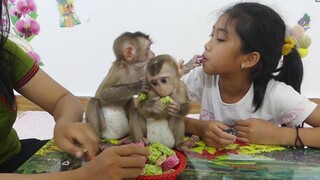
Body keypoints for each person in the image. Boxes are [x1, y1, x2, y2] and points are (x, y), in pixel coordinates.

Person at [0, 1, 149, 179]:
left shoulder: (5, 51)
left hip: (16, 156)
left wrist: (65, 123)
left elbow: (61, 99)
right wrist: (83, 175)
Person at [182, 2, 320, 149]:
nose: (207, 45)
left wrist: (279, 135)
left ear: (249, 59)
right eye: (212, 35)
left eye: (220, 39)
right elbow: (159, 112)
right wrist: (198, 127)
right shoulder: (202, 77)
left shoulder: (276, 94)